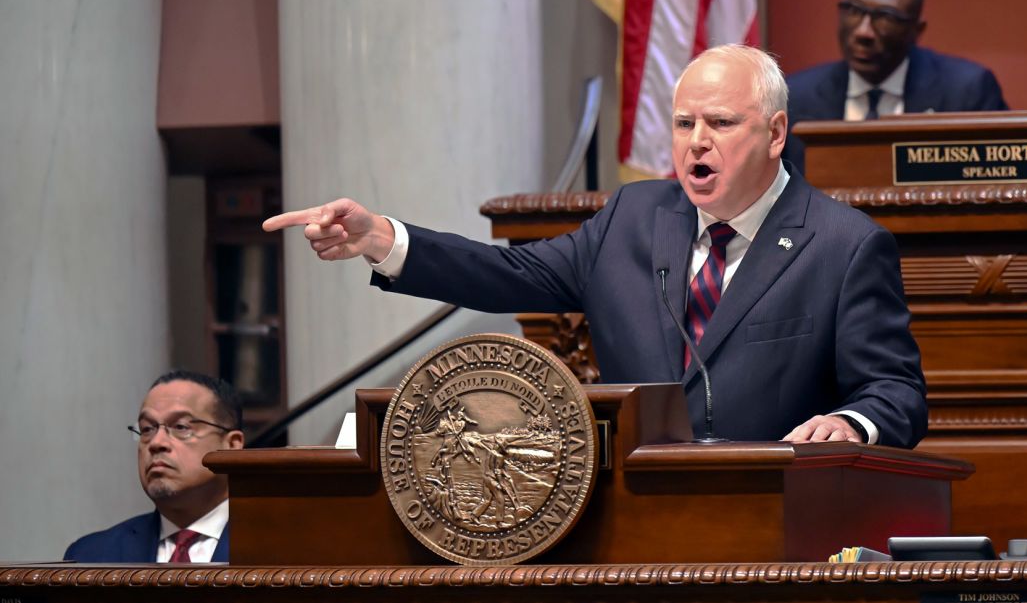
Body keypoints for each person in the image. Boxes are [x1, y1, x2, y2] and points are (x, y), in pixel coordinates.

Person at [263, 45, 928, 448]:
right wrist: (384, 238)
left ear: (776, 132)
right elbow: (508, 273)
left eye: (721, 123)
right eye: (683, 122)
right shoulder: (633, 217)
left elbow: (896, 392)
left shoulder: (844, 246)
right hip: (631, 530)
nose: (696, 140)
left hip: (775, 530)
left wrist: (851, 423)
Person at [783, 0, 1007, 170]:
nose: (863, 32)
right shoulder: (795, 97)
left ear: (916, 31)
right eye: (854, 10)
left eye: (885, 17)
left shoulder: (966, 93)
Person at [65, 371, 245, 562]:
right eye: (147, 429)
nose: (156, 443)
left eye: (181, 427)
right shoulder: (90, 556)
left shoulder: (277, 545)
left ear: (232, 445)